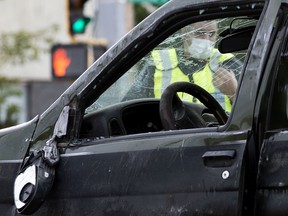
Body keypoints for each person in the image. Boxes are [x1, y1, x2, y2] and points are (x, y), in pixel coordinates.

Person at [124, 20, 242, 112]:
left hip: (217, 137)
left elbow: (255, 111)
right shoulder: (158, 63)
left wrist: (234, 93)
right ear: (184, 32)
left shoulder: (227, 63)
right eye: (200, 33)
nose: (206, 40)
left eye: (212, 34)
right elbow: (130, 106)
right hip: (171, 136)